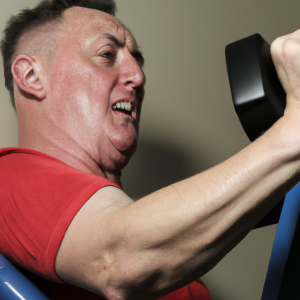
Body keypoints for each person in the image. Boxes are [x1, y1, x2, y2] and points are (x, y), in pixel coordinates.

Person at [0, 0, 300, 299]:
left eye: (136, 60)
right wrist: (292, 134)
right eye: (107, 54)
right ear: (31, 77)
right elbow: (118, 262)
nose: (138, 76)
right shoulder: (6, 177)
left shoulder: (180, 271)